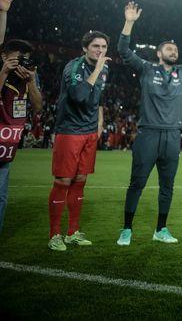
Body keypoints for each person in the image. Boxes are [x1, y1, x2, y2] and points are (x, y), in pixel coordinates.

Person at [116, 1, 182, 245]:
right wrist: (129, 22)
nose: (173, 51)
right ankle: (126, 229)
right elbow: (123, 50)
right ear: (158, 53)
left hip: (172, 136)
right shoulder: (146, 68)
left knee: (167, 186)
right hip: (148, 135)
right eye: (168, 49)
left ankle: (160, 230)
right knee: (137, 183)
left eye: (175, 49)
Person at [48, 31, 110, 251]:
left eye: (103, 47)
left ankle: (72, 232)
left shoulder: (105, 69)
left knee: (80, 179)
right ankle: (55, 234)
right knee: (63, 180)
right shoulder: (73, 67)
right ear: (85, 48)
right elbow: (79, 96)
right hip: (70, 131)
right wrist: (97, 70)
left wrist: (100, 123)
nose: (100, 51)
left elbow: (98, 98)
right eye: (95, 46)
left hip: (89, 132)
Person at [0, 39, 42, 235]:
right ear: (4, 57)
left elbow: (38, 106)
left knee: (1, 197)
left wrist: (31, 82)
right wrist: (3, 72)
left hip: (5, 147)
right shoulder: (2, 71)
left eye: (25, 59)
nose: (22, 63)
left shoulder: (29, 76)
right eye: (18, 58)